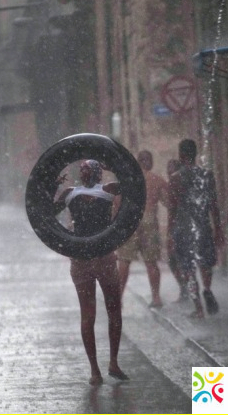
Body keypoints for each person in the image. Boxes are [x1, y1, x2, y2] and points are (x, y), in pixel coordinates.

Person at [54, 160, 129, 385]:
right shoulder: (70, 192)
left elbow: (131, 184)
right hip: (82, 259)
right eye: (82, 168)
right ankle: (94, 370)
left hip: (104, 256)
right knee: (88, 315)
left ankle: (113, 362)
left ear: (97, 172)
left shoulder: (108, 189)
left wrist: (112, 167)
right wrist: (52, 184)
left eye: (88, 167)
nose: (83, 170)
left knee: (114, 310)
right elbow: (46, 213)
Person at [168, 139, 224, 319]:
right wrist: (218, 229)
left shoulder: (175, 178)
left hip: (183, 228)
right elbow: (213, 205)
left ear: (181, 155)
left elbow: (173, 209)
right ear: (195, 153)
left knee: (188, 268)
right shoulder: (207, 175)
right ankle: (207, 289)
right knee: (205, 263)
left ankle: (199, 308)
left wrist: (169, 234)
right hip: (203, 226)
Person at [117, 150, 169, 308]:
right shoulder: (157, 180)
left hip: (131, 221)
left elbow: (117, 203)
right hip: (149, 221)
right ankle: (156, 297)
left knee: (124, 261)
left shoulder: (127, 180)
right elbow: (169, 202)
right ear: (150, 162)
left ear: (138, 162)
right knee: (151, 262)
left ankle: (118, 299)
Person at [166, 159, 189, 302]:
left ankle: (185, 288)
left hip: (180, 227)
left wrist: (170, 231)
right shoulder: (173, 183)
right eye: (168, 167)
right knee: (175, 260)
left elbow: (172, 210)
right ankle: (184, 287)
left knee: (177, 259)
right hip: (181, 226)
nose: (169, 170)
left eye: (171, 167)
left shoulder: (175, 183)